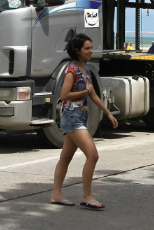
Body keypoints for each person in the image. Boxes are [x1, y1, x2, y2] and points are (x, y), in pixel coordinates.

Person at [50, 34, 118, 208]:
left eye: (91, 47)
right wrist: (84, 93)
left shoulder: (85, 69)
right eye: (87, 48)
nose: (90, 51)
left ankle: (56, 194)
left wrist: (108, 114)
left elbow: (93, 94)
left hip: (81, 117)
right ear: (77, 50)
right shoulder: (71, 70)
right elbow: (64, 96)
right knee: (93, 155)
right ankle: (87, 195)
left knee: (65, 157)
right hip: (72, 117)